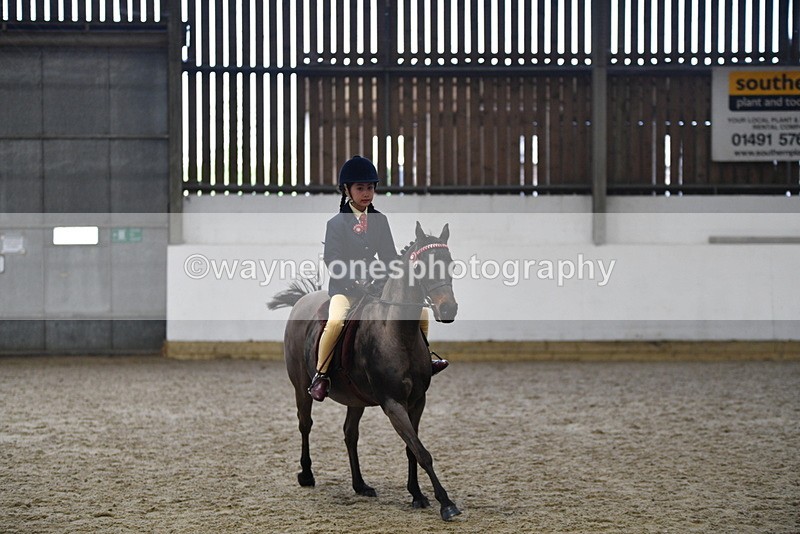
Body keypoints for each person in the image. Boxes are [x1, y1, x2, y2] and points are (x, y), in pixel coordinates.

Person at [308, 155, 449, 401]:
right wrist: (354, 281)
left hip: (375, 287)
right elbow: (333, 260)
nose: (366, 193)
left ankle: (424, 360)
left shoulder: (380, 220)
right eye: (360, 188)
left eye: (370, 188)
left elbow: (388, 257)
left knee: (422, 313)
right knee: (335, 321)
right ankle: (321, 375)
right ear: (347, 190)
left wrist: (398, 273)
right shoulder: (336, 223)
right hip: (346, 288)